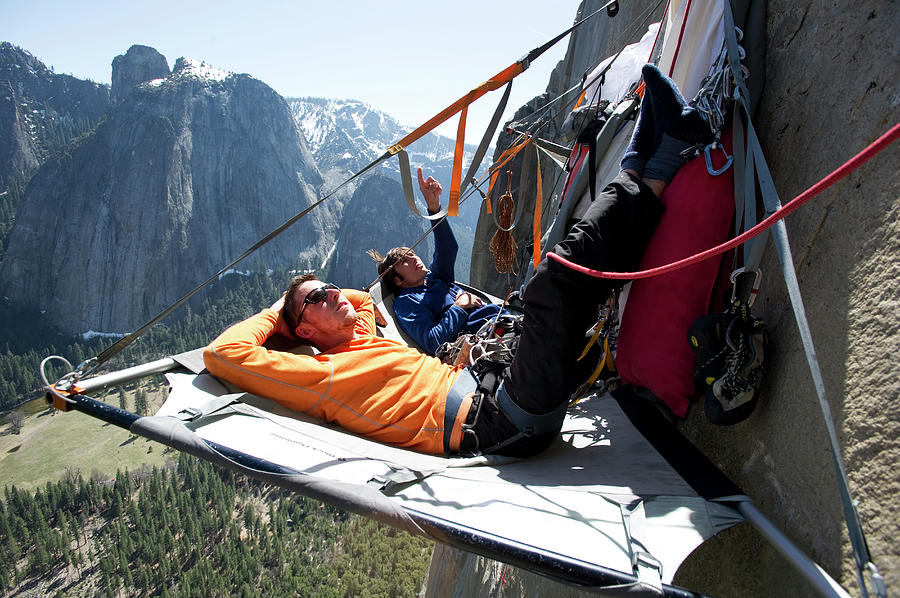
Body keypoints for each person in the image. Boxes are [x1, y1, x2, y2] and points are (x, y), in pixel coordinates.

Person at [204, 64, 712, 458]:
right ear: (306, 330)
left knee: (560, 284)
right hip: (498, 421)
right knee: (552, 287)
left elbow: (373, 291)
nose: (336, 293)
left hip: (500, 379)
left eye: (328, 286)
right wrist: (282, 308)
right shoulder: (325, 373)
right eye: (317, 298)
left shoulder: (365, 329)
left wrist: (427, 216)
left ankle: (651, 158)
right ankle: (653, 158)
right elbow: (223, 356)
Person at [369, 168, 506, 356]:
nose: (414, 259)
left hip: (499, 322)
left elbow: (448, 248)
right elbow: (433, 342)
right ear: (398, 280)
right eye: (404, 261)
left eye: (412, 254)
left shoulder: (435, 278)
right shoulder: (406, 303)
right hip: (486, 341)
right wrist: (459, 306)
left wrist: (434, 208)